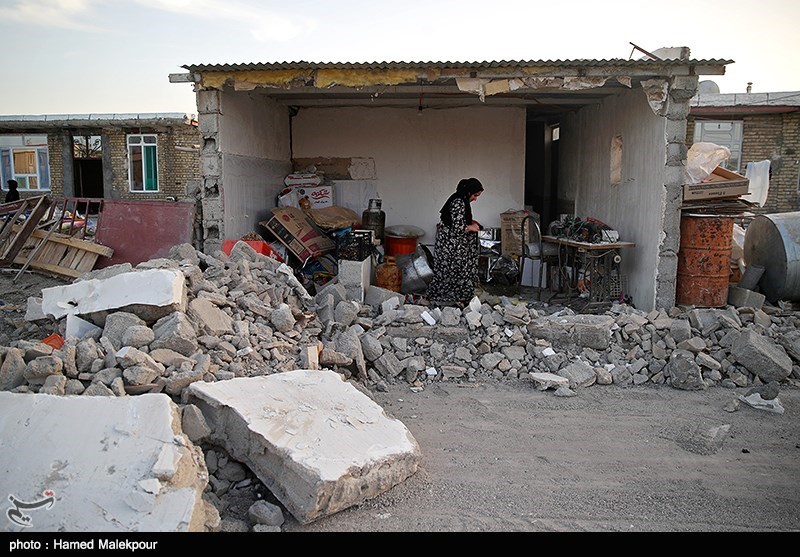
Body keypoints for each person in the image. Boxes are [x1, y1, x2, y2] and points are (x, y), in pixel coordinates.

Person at [424, 177, 484, 306]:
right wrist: (471, 227)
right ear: (468, 192)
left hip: (455, 246)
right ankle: (434, 300)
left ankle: (459, 301)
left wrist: (470, 224)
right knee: (448, 273)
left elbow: (458, 221)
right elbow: (457, 227)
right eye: (475, 195)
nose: (475, 199)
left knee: (459, 273)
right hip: (451, 247)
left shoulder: (462, 201)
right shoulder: (458, 202)